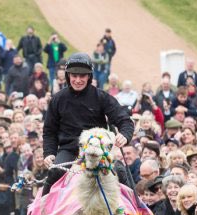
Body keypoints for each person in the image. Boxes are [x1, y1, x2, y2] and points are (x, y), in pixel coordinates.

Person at [41, 53, 134, 195]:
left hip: (99, 149)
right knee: (55, 172)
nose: (78, 80)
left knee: (120, 171)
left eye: (82, 76)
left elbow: (124, 119)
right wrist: (49, 153)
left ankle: (136, 210)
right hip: (69, 150)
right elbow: (49, 131)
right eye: (74, 76)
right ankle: (41, 211)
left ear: (89, 76)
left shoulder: (101, 97)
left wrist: (125, 135)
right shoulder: (58, 99)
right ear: (68, 76)